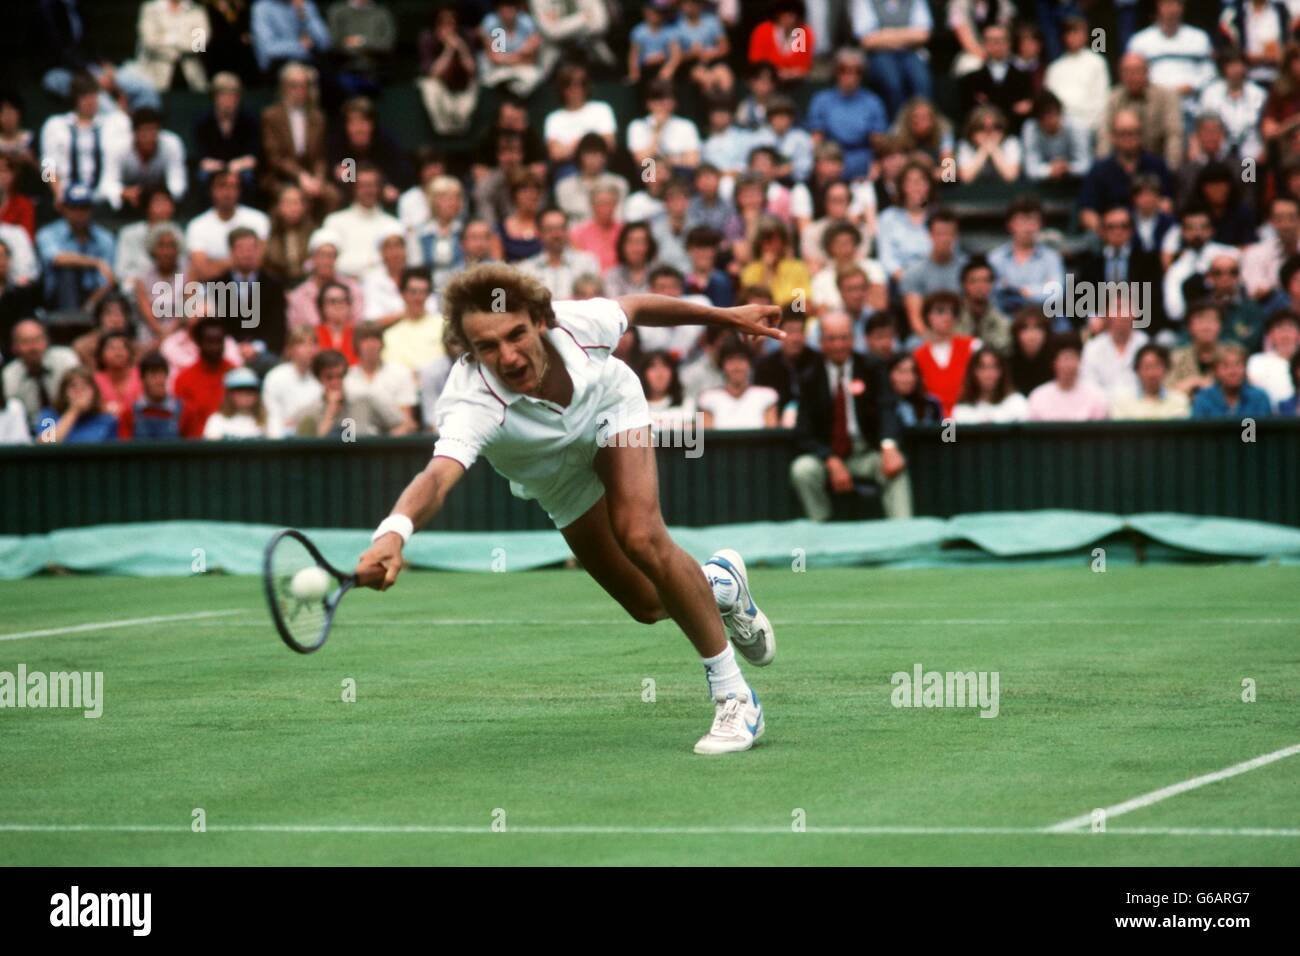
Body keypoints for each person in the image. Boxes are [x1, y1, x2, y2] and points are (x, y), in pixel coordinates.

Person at [353, 263, 782, 755]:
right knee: (648, 604)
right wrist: (394, 533)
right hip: (551, 477)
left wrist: (726, 317)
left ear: (540, 319)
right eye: (487, 347)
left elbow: (639, 306)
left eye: (516, 334)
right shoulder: (471, 401)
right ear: (469, 352)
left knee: (639, 534)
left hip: (609, 412)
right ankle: (719, 583)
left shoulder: (579, 325)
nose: (509, 356)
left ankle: (735, 697)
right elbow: (437, 476)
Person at [789, 311, 911, 521]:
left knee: (895, 468)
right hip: (828, 456)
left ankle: (904, 532)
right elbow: (803, 433)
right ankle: (821, 530)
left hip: (866, 452)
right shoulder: (809, 377)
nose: (839, 345)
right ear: (821, 342)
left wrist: (889, 447)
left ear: (853, 339)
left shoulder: (872, 367)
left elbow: (887, 408)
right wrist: (831, 460)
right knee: (802, 470)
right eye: (832, 338)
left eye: (844, 337)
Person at [295, 347, 405, 437]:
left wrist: (383, 443)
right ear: (319, 379)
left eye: (340, 376)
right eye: (329, 377)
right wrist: (330, 413)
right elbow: (311, 449)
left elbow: (405, 425)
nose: (335, 382)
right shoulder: (309, 412)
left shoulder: (365, 401)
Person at [912, 291, 976, 418]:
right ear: (927, 316)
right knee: (947, 436)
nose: (948, 317)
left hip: (967, 415)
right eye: (940, 311)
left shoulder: (973, 346)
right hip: (934, 419)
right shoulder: (917, 355)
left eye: (953, 312)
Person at [3, 320, 80, 423]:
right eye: (26, 342)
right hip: (30, 433)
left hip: (72, 423)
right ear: (14, 347)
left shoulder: (66, 359)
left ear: (47, 341)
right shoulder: (8, 376)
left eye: (37, 340)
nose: (33, 347)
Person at [173, 316, 237, 437]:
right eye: (210, 341)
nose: (215, 347)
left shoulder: (236, 374)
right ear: (199, 343)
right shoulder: (184, 379)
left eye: (219, 341)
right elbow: (180, 423)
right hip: (195, 448)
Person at [1026, 333, 1109, 421]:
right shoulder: (1038, 397)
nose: (1068, 365)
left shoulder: (1096, 396)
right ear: (1054, 363)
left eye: (1072, 358)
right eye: (1064, 359)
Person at [697, 343, 779, 429]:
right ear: (722, 365)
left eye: (741, 359)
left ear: (749, 364)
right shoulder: (706, 398)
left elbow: (772, 436)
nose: (737, 366)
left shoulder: (768, 395)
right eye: (730, 360)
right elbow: (705, 437)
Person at [35, 366, 118, 443]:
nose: (79, 391)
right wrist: (74, 410)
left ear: (94, 392)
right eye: (73, 386)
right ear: (64, 392)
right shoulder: (48, 415)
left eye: (85, 386)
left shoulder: (107, 419)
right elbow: (45, 444)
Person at [1191, 343, 1273, 418]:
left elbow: (1265, 432)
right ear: (1216, 371)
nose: (1233, 372)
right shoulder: (1203, 399)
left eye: (1238, 365)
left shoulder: (1259, 398)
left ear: (1245, 368)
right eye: (1225, 366)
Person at [1110, 344, 1190, 420]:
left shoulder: (1179, 401)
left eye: (1156, 366)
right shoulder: (1122, 402)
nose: (1151, 373)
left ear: (1166, 369)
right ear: (1137, 370)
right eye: (1147, 367)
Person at [117, 351, 185, 439]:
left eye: (162, 374)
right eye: (153, 375)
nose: (159, 381)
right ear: (142, 379)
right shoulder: (129, 414)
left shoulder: (184, 411)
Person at [952, 347, 1028, 423]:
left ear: (1002, 371)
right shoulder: (962, 409)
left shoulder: (1016, 402)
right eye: (982, 367)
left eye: (994, 367)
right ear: (973, 372)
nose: (988, 374)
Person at [203, 365, 268, 439]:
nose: (245, 395)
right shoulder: (217, 420)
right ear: (229, 395)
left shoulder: (267, 419)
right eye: (239, 391)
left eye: (250, 391)